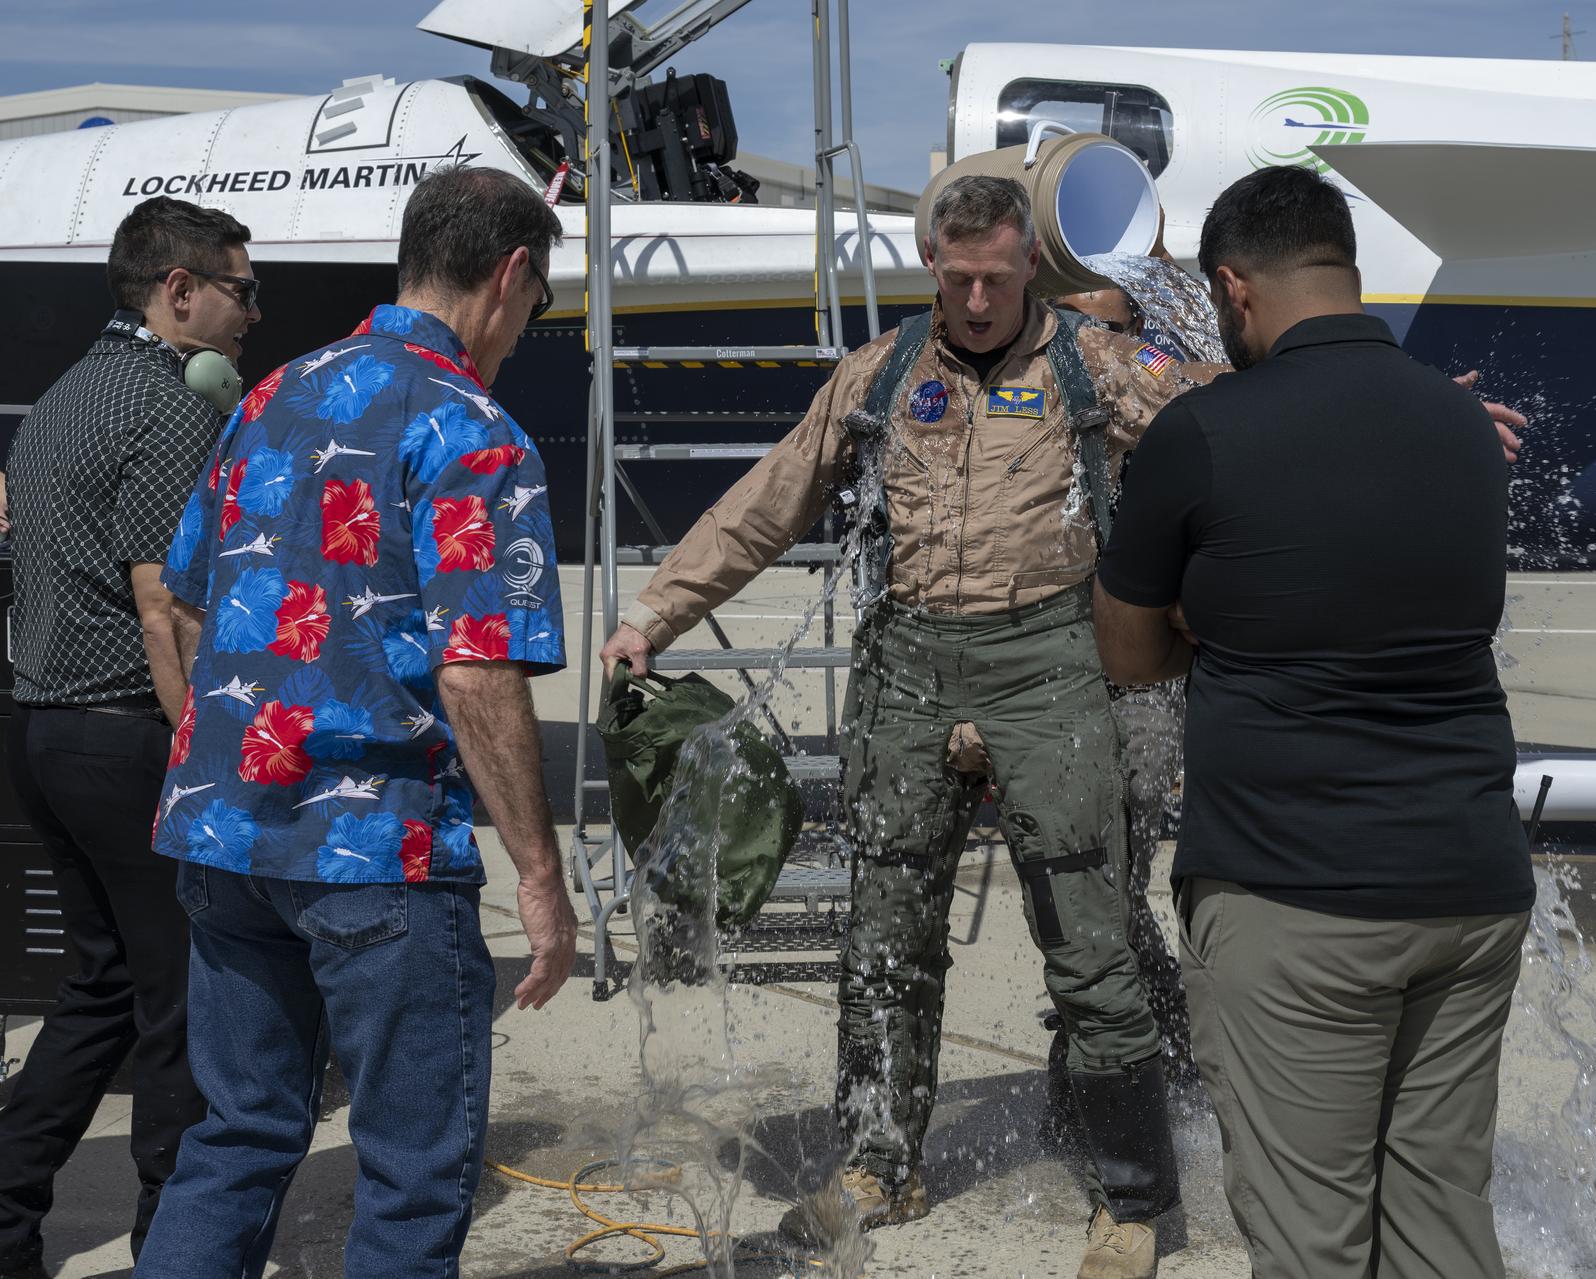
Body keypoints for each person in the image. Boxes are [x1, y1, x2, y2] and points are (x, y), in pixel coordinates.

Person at [600, 174, 1220, 1278]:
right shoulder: (881, 375)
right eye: (959, 276)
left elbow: (1226, 427)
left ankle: (1132, 1198)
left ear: (1032, 263)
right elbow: (772, 496)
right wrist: (656, 610)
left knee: (1089, 940)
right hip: (908, 667)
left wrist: (1375, 406)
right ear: (933, 264)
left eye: (998, 275)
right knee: (884, 932)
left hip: (1050, 664)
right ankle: (881, 1161)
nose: (978, 299)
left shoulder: (1091, 364)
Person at [1092, 163, 1538, 1279]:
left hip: (1298, 897)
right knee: (1445, 1223)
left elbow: (1129, 650)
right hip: (1471, 891)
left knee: (1312, 1237)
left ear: (1235, 292)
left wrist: (1209, 614)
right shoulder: (1464, 426)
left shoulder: (1201, 433)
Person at [132, 166, 578, 1279]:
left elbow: (183, 598)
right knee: (413, 1175)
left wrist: (222, 761)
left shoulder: (274, 393)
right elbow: (478, 677)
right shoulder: (475, 432)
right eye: (538, 304)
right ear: (511, 273)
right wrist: (539, 872)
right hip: (379, 856)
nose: (527, 330)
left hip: (225, 839)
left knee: (234, 1139)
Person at [0, 195, 259, 1279]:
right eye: (242, 292)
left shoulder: (62, 394)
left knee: (99, 989)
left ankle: (7, 1218)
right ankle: (174, 1244)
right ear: (180, 291)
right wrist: (212, 760)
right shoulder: (166, 407)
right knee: (182, 1006)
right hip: (124, 739)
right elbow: (169, 607)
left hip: (40, 733)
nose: (254, 313)